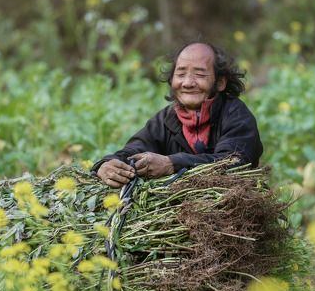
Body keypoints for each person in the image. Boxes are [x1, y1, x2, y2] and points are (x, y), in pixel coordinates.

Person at [92, 42, 263, 188]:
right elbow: (133, 151)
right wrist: (106, 165)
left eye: (200, 74)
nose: (187, 82)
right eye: (180, 74)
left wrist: (171, 164)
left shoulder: (236, 115)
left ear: (220, 82)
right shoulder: (166, 119)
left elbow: (233, 163)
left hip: (233, 212)